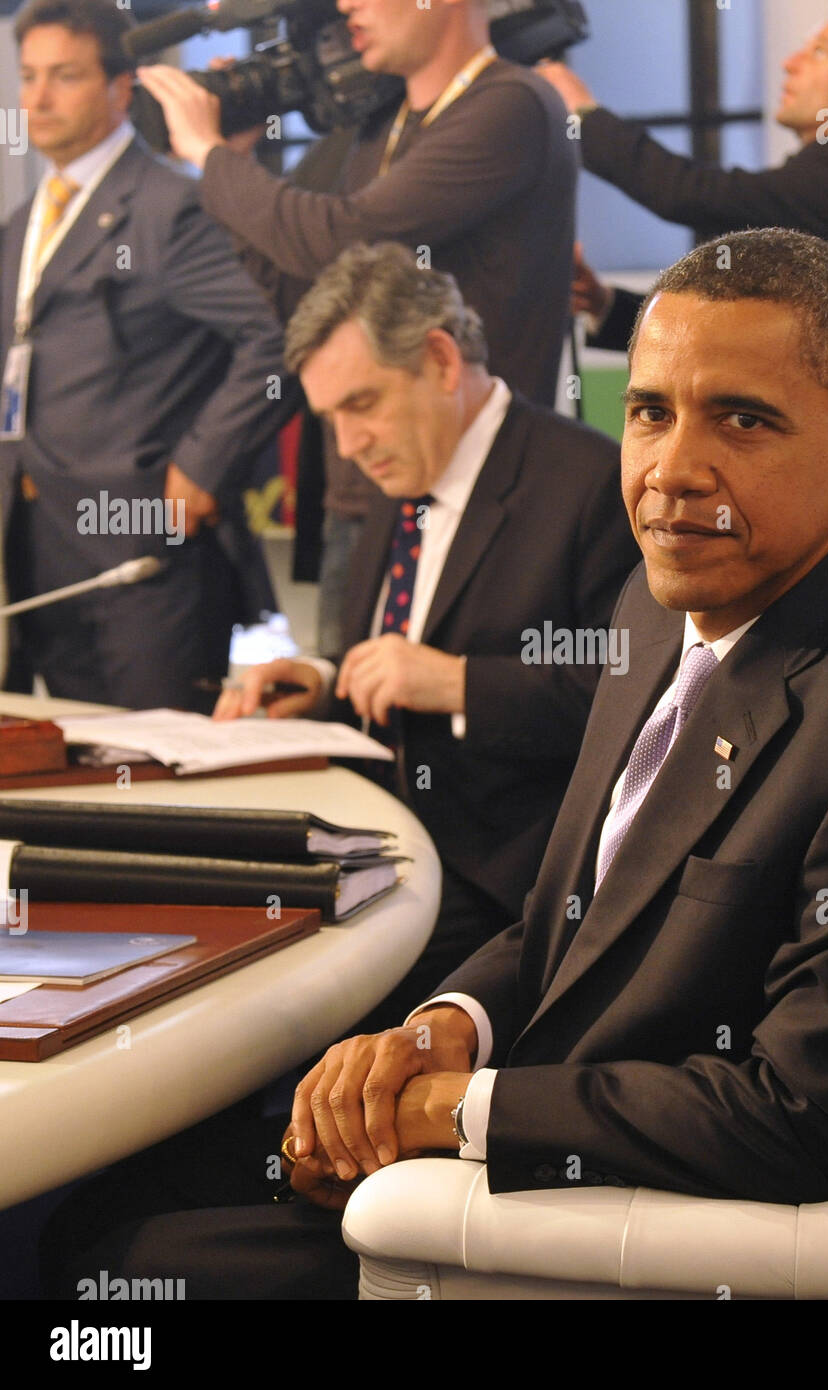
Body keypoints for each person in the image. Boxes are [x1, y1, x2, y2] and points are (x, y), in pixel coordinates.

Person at [43, 229, 828, 1298]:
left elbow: (812, 1118)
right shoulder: (664, 606)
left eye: (742, 419)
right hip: (517, 1127)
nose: (671, 470)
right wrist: (438, 1030)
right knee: (101, 1189)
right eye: (649, 411)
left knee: (111, 1265)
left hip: (598, 1233)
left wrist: (456, 1115)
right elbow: (569, 914)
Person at [214, 242, 637, 1026]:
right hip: (384, 838)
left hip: (507, 882)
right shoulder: (403, 473)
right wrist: (322, 678)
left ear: (440, 360)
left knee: (271, 1009)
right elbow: (394, 654)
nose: (346, 445)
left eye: (361, 405)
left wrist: (456, 683)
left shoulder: (586, 485)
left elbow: (635, 701)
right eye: (330, 419)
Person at [137, 0, 578, 655]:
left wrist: (210, 157)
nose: (345, 6)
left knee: (458, 730)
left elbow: (343, 236)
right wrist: (232, 160)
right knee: (352, 726)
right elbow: (311, 301)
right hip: (367, 494)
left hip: (478, 499)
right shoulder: (385, 124)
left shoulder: (511, 103)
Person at [0, 0, 289, 709]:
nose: (37, 98)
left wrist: (203, 464)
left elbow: (276, 337)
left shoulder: (172, 208)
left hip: (145, 556)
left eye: (63, 76)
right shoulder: (20, 224)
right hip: (36, 548)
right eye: (28, 76)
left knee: (156, 787)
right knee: (61, 784)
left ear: (120, 86)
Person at [541, 4, 828, 352]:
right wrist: (605, 305)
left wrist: (584, 115)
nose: (790, 63)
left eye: (820, 52)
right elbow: (735, 324)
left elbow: (690, 193)